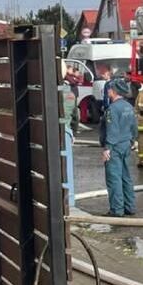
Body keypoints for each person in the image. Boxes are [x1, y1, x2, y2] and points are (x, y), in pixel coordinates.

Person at [100, 77, 137, 217]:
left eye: (109, 88)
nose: (108, 90)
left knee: (114, 178)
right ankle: (130, 207)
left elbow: (112, 130)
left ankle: (117, 210)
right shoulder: (129, 107)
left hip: (114, 147)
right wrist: (132, 141)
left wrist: (107, 148)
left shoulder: (112, 109)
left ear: (114, 91)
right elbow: (134, 127)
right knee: (126, 177)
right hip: (126, 145)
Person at [59, 64, 79, 210]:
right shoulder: (70, 92)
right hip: (65, 131)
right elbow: (75, 116)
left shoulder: (49, 92)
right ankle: (69, 200)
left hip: (52, 131)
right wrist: (73, 132)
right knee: (66, 168)